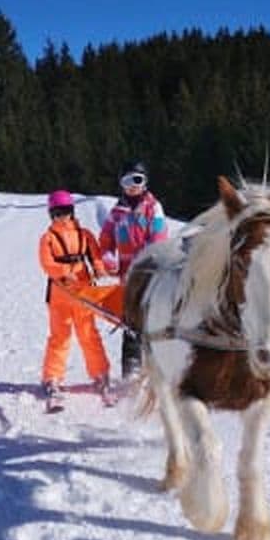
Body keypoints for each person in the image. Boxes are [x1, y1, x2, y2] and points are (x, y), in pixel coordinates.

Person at [98, 160, 169, 383]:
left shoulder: (152, 208)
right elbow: (106, 238)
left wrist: (141, 268)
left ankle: (157, 371)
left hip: (149, 276)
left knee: (152, 322)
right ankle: (131, 372)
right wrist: (108, 256)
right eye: (127, 181)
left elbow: (157, 240)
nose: (132, 186)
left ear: (145, 182)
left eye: (137, 180)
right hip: (126, 278)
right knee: (130, 324)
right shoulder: (116, 212)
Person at [39, 189, 111, 403]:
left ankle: (100, 374)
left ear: (72, 211)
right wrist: (63, 272)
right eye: (58, 212)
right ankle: (52, 377)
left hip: (83, 292)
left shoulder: (85, 235)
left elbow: (95, 255)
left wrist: (98, 268)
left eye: (66, 211)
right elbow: (46, 263)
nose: (62, 216)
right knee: (59, 337)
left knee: (89, 334)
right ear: (51, 214)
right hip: (60, 294)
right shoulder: (48, 238)